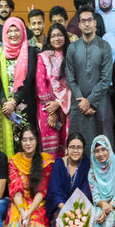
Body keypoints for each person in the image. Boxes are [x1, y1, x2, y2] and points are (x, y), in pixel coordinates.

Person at [66, 5, 114, 152]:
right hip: (78, 105)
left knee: (103, 145)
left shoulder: (104, 46)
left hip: (101, 104)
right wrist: (83, 102)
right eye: (83, 21)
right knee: (79, 146)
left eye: (89, 20)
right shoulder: (72, 48)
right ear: (79, 25)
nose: (87, 24)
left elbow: (106, 78)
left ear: (95, 23)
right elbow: (70, 77)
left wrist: (90, 101)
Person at [2, 126, 54, 227]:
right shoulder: (15, 161)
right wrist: (22, 211)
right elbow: (16, 189)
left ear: (37, 141)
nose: (28, 143)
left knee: (35, 224)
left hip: (38, 202)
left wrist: (29, 213)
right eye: (24, 140)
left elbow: (42, 191)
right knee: (15, 224)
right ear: (20, 142)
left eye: (31, 139)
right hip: (19, 202)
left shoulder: (46, 161)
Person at [0, 17, 38, 158]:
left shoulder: (30, 52)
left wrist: (14, 102)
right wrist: (5, 104)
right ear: (4, 33)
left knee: (27, 142)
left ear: (23, 31)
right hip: (6, 110)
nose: (13, 34)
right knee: (10, 143)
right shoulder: (0, 53)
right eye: (9, 31)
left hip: (25, 107)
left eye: (16, 30)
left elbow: (28, 80)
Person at [45, 133, 91, 227]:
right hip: (60, 207)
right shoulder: (58, 163)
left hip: (80, 208)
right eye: (72, 147)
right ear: (67, 148)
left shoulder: (86, 164)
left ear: (83, 149)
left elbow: (86, 190)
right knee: (60, 226)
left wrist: (76, 211)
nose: (75, 151)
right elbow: (55, 190)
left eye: (79, 147)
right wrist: (65, 209)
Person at [36, 23, 72, 158]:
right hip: (47, 108)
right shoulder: (43, 57)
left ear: (65, 37)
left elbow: (73, 83)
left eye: (60, 35)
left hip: (67, 106)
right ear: (49, 39)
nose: (57, 38)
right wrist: (52, 111)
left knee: (66, 143)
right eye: (53, 36)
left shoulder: (71, 55)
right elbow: (41, 85)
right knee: (50, 149)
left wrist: (59, 103)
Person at [87, 134, 115, 227]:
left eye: (103, 149)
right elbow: (95, 196)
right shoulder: (92, 171)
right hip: (100, 205)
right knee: (95, 218)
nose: (101, 154)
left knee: (110, 220)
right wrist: (103, 206)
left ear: (109, 149)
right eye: (97, 151)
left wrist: (109, 207)